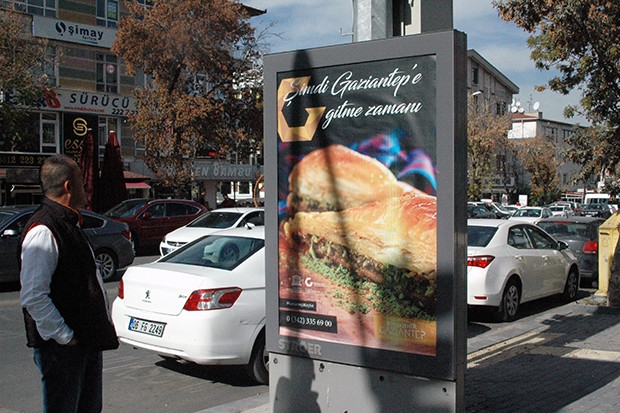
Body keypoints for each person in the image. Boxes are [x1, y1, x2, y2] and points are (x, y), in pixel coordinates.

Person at [19, 155, 119, 413]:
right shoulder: (44, 230)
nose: (86, 185)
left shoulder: (68, 223)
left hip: (83, 344)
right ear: (68, 186)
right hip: (64, 351)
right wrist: (66, 337)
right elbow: (33, 296)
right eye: (81, 181)